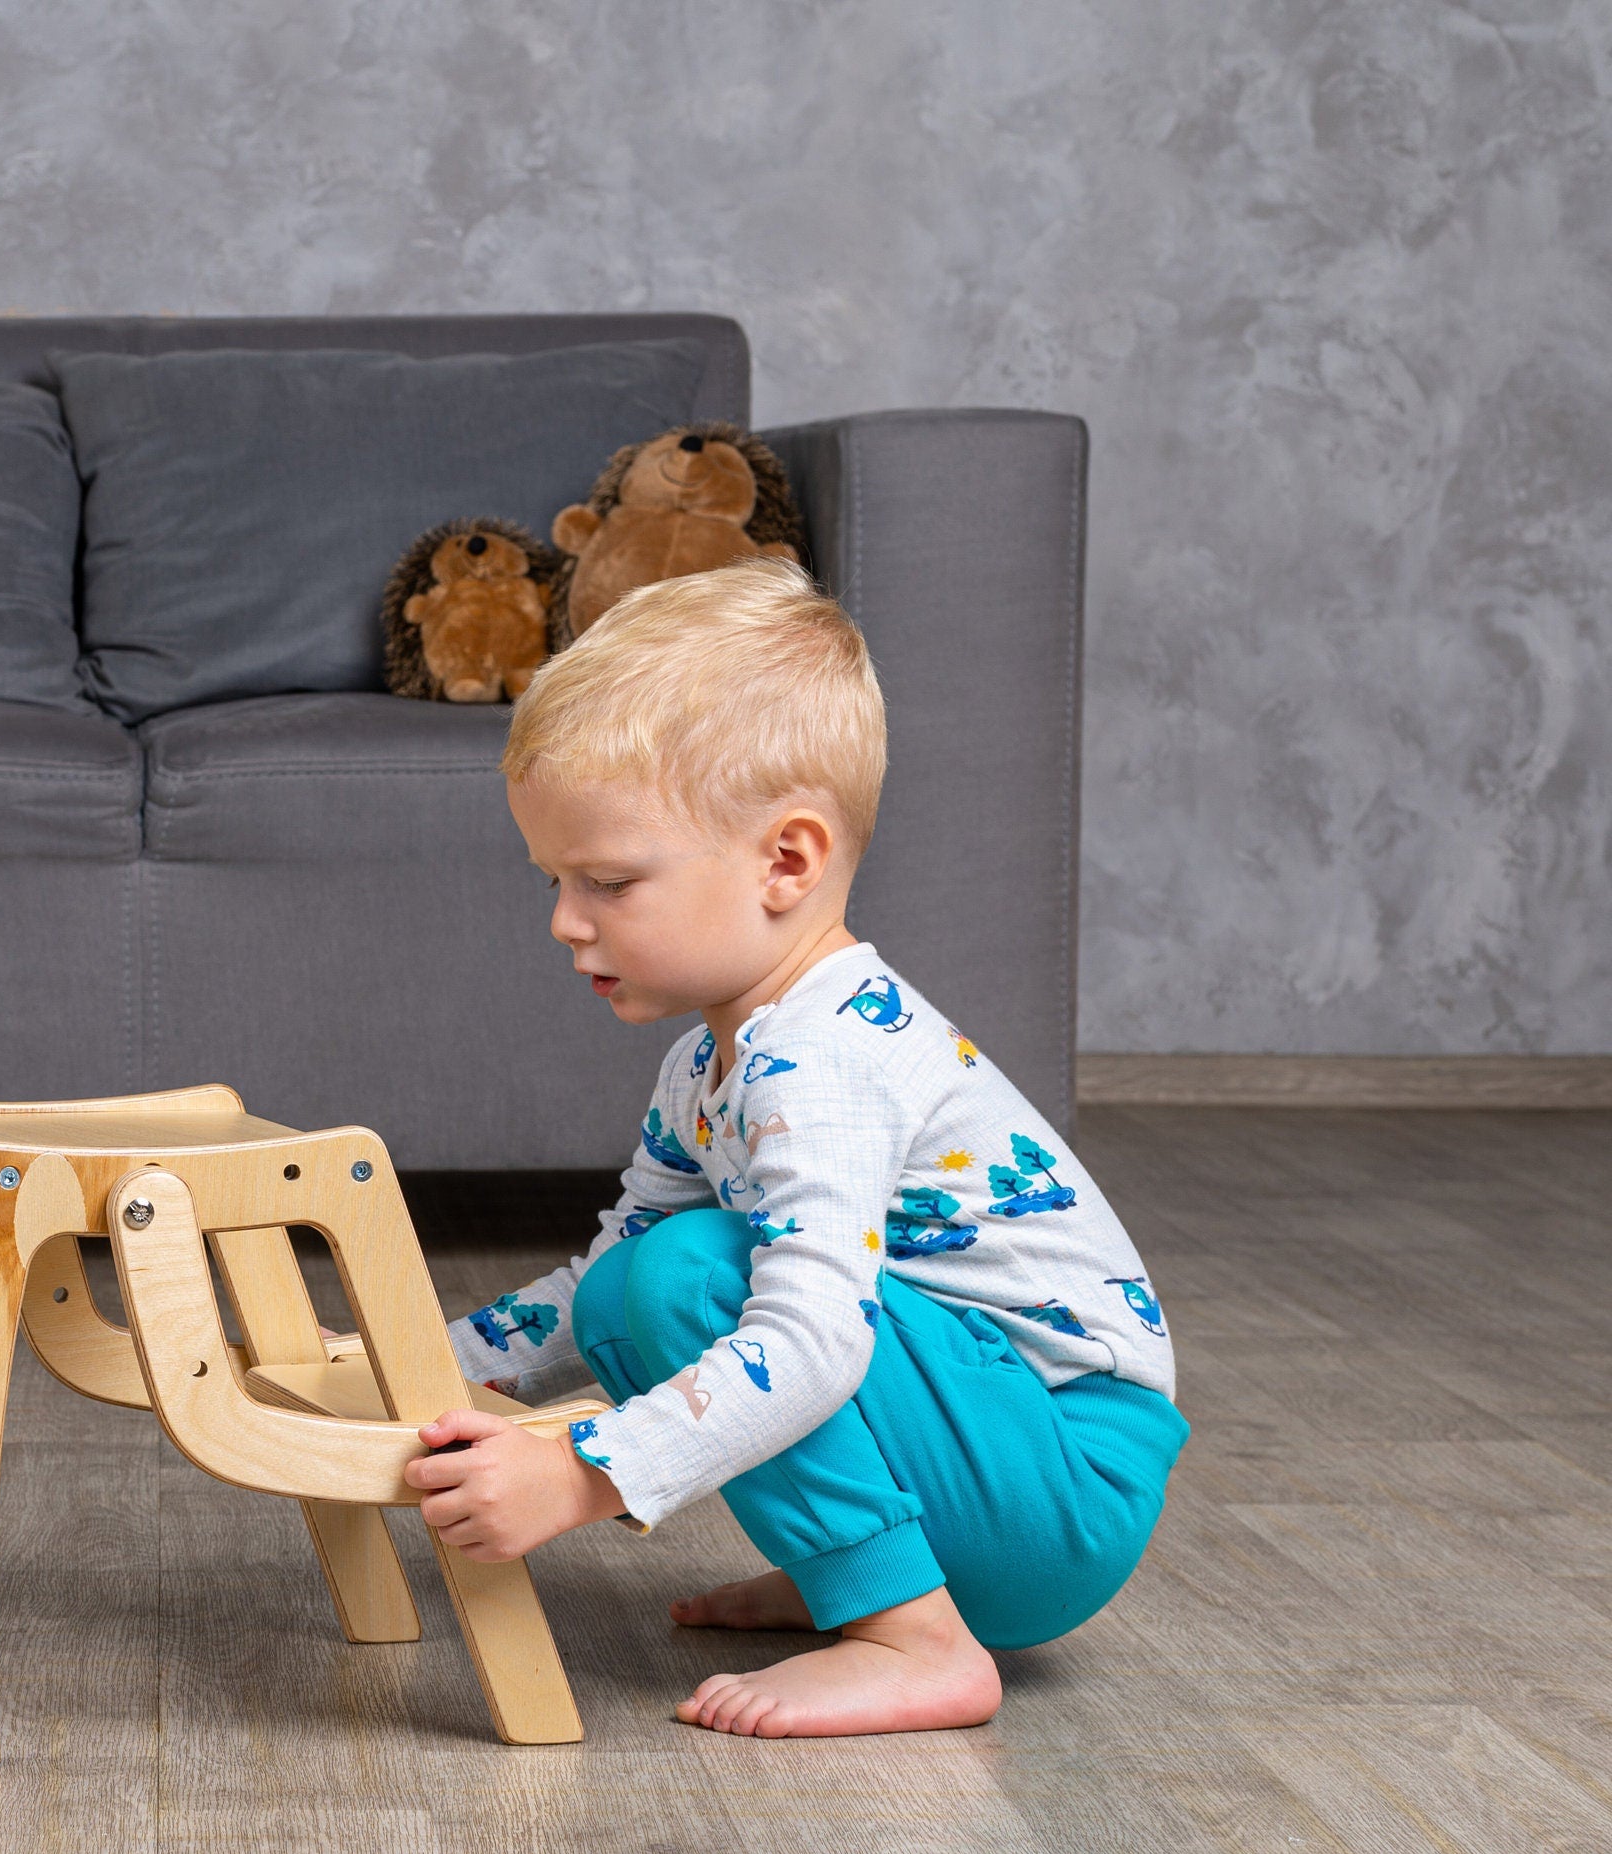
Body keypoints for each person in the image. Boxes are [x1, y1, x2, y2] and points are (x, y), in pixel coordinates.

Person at [409, 556, 1186, 1738]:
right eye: (557, 879)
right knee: (631, 1284)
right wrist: (425, 1360)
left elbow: (814, 1343)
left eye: (609, 881)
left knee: (687, 1274)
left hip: (1061, 1483)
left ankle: (912, 1636)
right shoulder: (713, 1060)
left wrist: (580, 1469)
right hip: (986, 1456)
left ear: (787, 861)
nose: (565, 920)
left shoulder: (818, 1061)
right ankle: (868, 1570)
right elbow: (589, 1289)